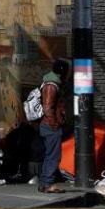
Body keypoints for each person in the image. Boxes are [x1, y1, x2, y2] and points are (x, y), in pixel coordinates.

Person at [39, 58, 70, 193]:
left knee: (50, 155)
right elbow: (47, 107)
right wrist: (54, 124)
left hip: (49, 125)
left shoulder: (54, 84)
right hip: (50, 126)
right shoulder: (51, 85)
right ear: (62, 71)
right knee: (54, 156)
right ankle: (48, 184)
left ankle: (44, 183)